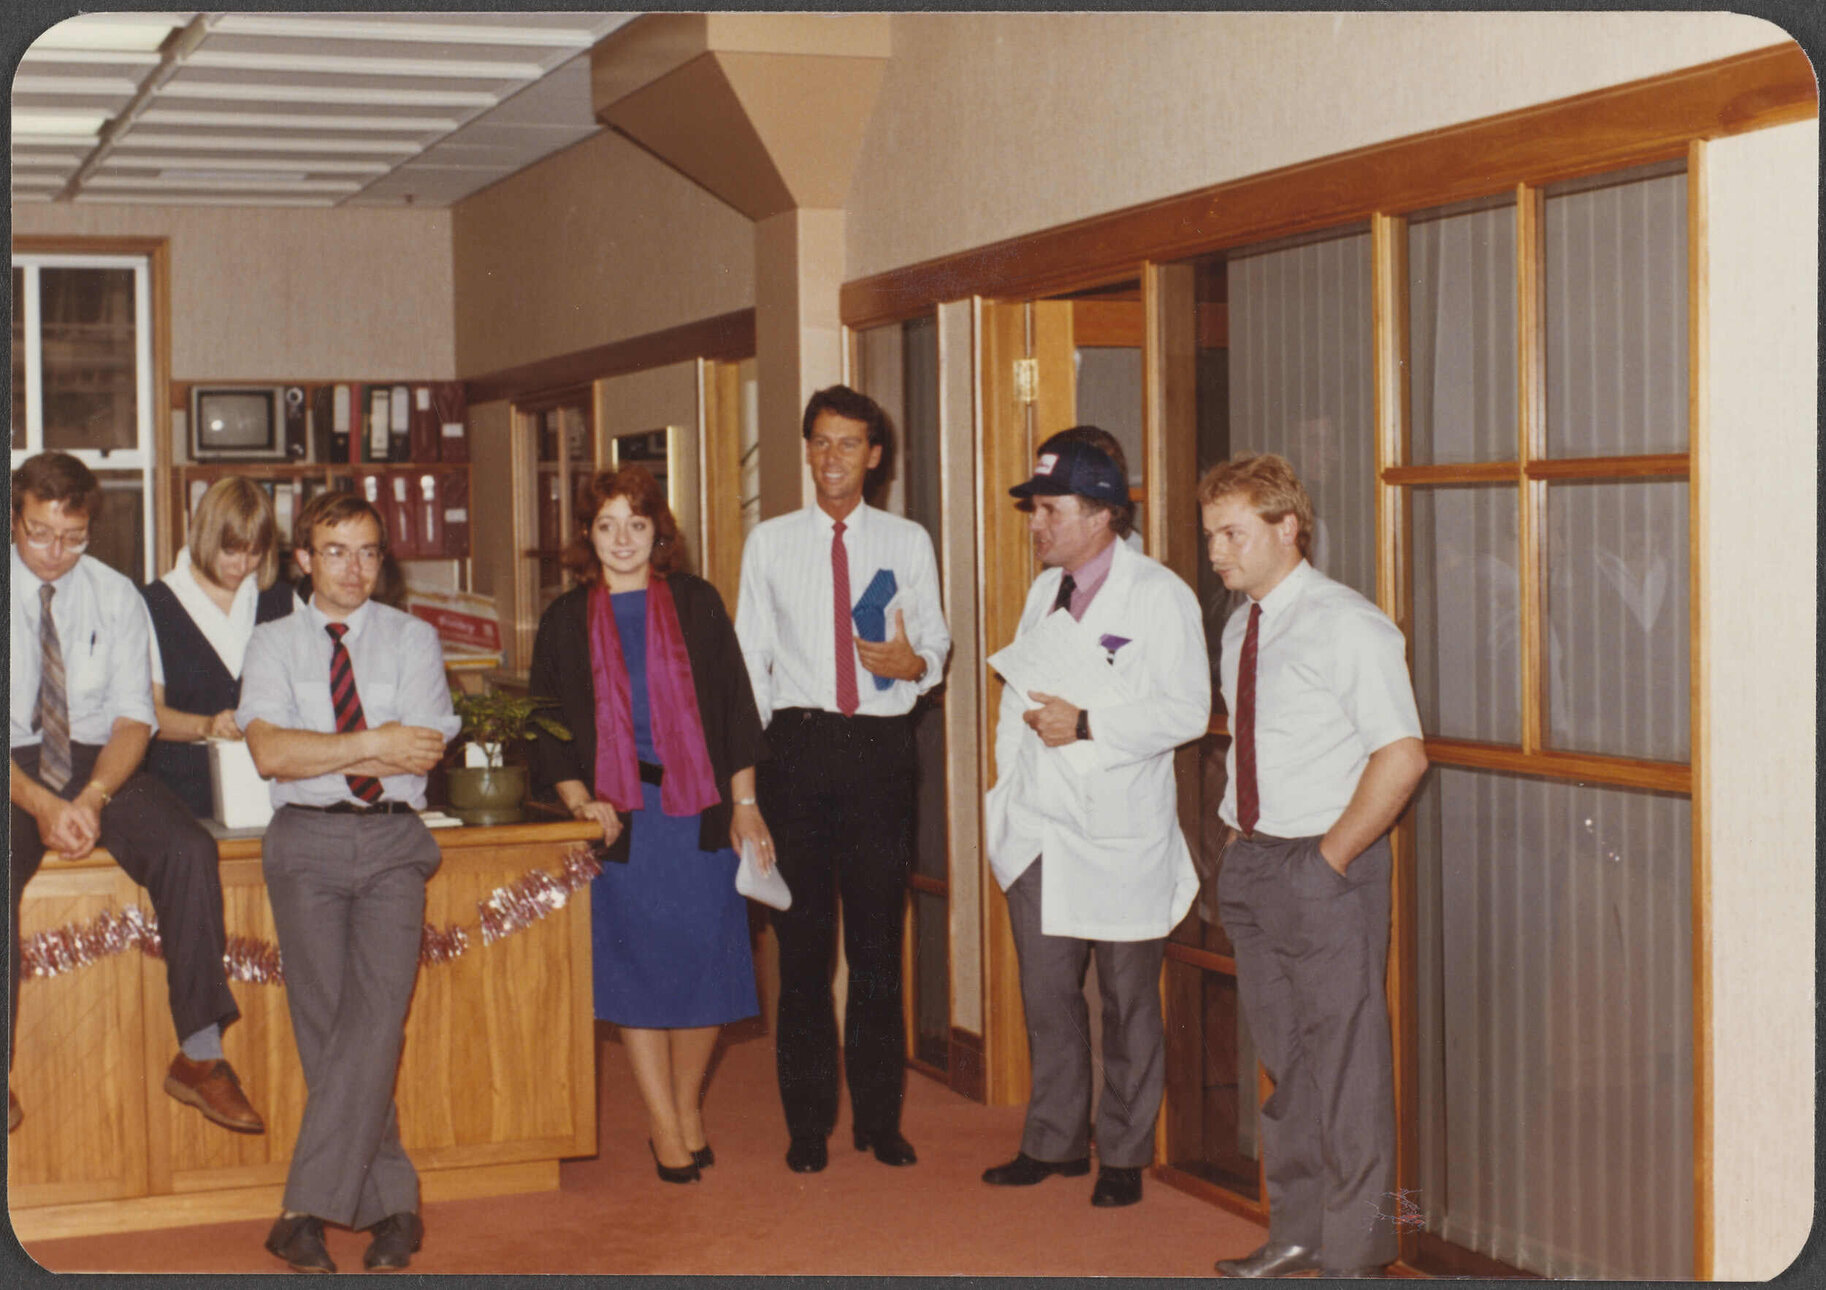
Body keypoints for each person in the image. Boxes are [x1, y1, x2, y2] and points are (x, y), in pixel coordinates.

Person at [1200, 454, 1427, 1278]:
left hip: (1326, 868)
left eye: (1233, 534)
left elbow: (1402, 756)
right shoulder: (1240, 625)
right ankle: (1297, 1231)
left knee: (1348, 1070)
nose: (1218, 553)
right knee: (1287, 1064)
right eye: (1213, 536)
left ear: (1286, 528)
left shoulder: (1347, 623)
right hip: (1256, 866)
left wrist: (1328, 861)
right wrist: (1239, 845)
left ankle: (1359, 1253)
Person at [981, 435, 1209, 1208]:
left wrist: (1087, 726)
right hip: (1040, 826)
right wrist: (1006, 793)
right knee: (1047, 995)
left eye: (1051, 509)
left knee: (1126, 999)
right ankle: (1053, 1140)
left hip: (1116, 829)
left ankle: (1122, 1152)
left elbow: (1186, 711)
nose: (1036, 525)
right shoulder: (1045, 591)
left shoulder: (1159, 595)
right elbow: (1016, 704)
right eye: (1035, 509)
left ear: (1104, 513)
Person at [8, 452, 264, 1138]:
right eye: (38, 534)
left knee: (186, 849)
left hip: (100, 761)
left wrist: (91, 798)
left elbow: (133, 721)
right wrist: (40, 804)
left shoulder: (116, 594)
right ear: (14, 518)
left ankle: (201, 1058)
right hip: (12, 768)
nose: (55, 553)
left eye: (73, 537)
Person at [528, 465, 770, 1184]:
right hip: (621, 824)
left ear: (658, 532)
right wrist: (579, 802)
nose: (622, 539)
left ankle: (687, 1105)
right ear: (586, 536)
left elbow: (732, 708)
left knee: (707, 970)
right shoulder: (565, 619)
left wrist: (747, 806)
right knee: (634, 976)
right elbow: (546, 725)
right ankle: (663, 1126)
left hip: (697, 815)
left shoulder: (696, 603)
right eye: (607, 525)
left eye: (636, 524)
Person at [239, 491, 458, 1274]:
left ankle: (304, 1207)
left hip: (395, 843)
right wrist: (374, 741)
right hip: (305, 845)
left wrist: (326, 747)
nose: (354, 568)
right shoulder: (270, 643)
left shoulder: (414, 638)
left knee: (376, 1020)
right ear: (303, 559)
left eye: (368, 551)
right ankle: (392, 1204)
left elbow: (424, 751)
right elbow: (269, 755)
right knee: (329, 1031)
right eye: (335, 550)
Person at [734, 384, 951, 1174]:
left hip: (881, 754)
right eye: (820, 442)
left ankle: (879, 1120)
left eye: (848, 444)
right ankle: (806, 1123)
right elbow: (748, 668)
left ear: (875, 455)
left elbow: (935, 639)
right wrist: (747, 790)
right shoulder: (771, 543)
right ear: (807, 449)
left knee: (875, 947)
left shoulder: (907, 539)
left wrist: (913, 663)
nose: (833, 459)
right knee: (802, 952)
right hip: (796, 749)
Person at [142, 477, 298, 818]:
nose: (241, 566)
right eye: (230, 551)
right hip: (181, 796)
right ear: (204, 536)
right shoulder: (152, 605)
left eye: (254, 552)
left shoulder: (284, 601)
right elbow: (145, 714)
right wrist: (207, 726)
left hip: (274, 792)